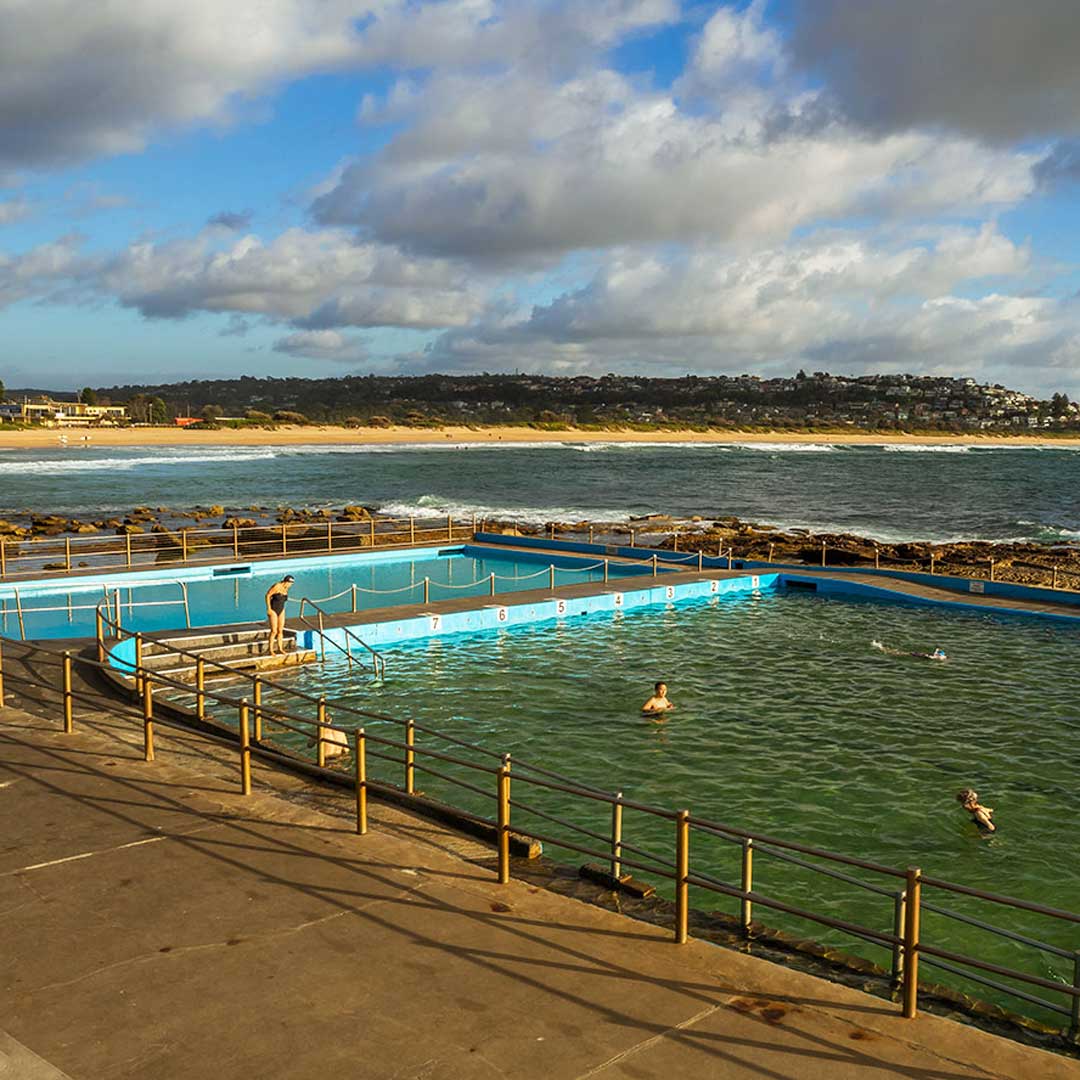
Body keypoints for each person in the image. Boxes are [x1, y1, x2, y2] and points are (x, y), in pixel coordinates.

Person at [265, 574, 295, 655]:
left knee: (280, 631)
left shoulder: (286, 588)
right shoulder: (277, 586)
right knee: (274, 631)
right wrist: (269, 609)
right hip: (273, 610)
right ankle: (270, 650)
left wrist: (283, 610)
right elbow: (268, 595)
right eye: (290, 583)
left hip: (281, 610)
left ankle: (280, 648)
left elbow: (282, 600)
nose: (291, 585)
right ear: (286, 581)